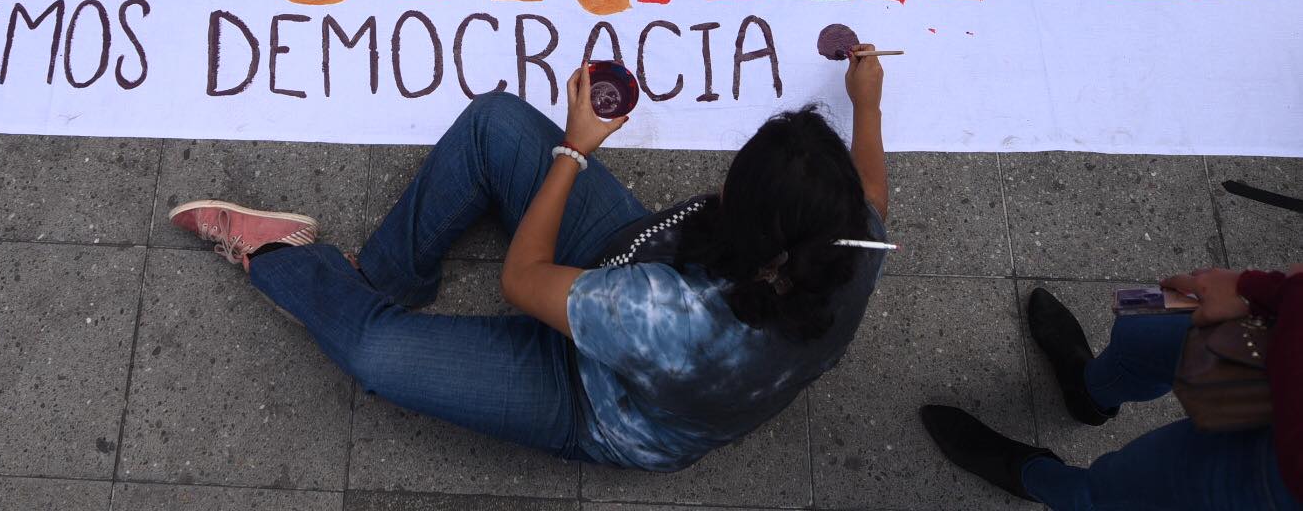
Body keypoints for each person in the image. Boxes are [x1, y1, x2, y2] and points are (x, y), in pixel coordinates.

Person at [167, 46, 891, 470]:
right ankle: (386, 274)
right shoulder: (848, 245)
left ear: (749, 226)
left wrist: (574, 150)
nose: (725, 174)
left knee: (375, 354)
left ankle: (282, 258)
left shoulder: (663, 315)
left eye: (736, 177)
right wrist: (867, 103)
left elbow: (525, 280)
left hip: (592, 398)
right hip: (631, 271)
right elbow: (870, 188)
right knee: (496, 126)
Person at [922, 266, 1302, 509]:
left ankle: (1031, 474)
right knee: (1140, 321)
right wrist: (1261, 288)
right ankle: (1089, 394)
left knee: (1109, 495)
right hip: (1281, 322)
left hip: (1287, 477)